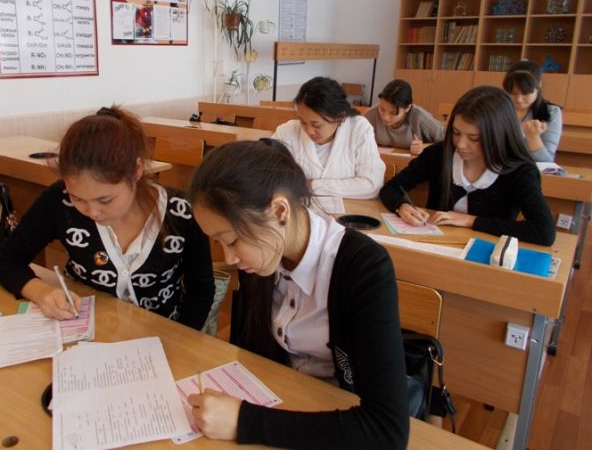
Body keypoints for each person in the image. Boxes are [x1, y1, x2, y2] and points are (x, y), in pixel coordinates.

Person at [187, 139, 409, 448]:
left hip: (337, 421)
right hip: (281, 400)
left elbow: (386, 431)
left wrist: (244, 422)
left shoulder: (364, 267)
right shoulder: (263, 252)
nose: (230, 257)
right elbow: (249, 352)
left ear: (279, 211)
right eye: (218, 242)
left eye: (233, 240)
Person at [0, 106, 215, 328]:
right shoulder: (60, 200)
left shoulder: (181, 212)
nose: (92, 212)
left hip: (162, 334)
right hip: (85, 331)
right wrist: (41, 292)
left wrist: (181, 338)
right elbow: (6, 261)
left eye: (105, 200)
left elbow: (201, 290)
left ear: (136, 170)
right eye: (78, 198)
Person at [379, 86, 556, 246]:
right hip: (435, 245)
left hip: (485, 253)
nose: (461, 144)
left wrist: (471, 221)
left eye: (474, 138)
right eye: (456, 133)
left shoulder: (520, 171)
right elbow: (391, 188)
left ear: (498, 135)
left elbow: (544, 231)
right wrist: (402, 206)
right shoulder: (439, 154)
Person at [272, 76, 385, 200]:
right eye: (303, 122)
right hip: (299, 208)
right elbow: (267, 174)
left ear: (340, 117)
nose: (309, 131)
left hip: (349, 209)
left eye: (316, 125)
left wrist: (312, 186)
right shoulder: (286, 132)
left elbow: (372, 184)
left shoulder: (358, 129)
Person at [503, 60, 562, 162]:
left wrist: (533, 137)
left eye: (525, 93)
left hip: (531, 169)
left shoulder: (551, 112)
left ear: (538, 86)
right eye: (513, 93)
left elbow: (547, 162)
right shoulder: (497, 109)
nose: (519, 99)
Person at [364, 79, 444, 153]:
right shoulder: (371, 114)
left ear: (408, 108)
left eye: (393, 113)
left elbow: (446, 142)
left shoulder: (420, 117)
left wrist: (424, 147)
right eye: (382, 109)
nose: (385, 117)